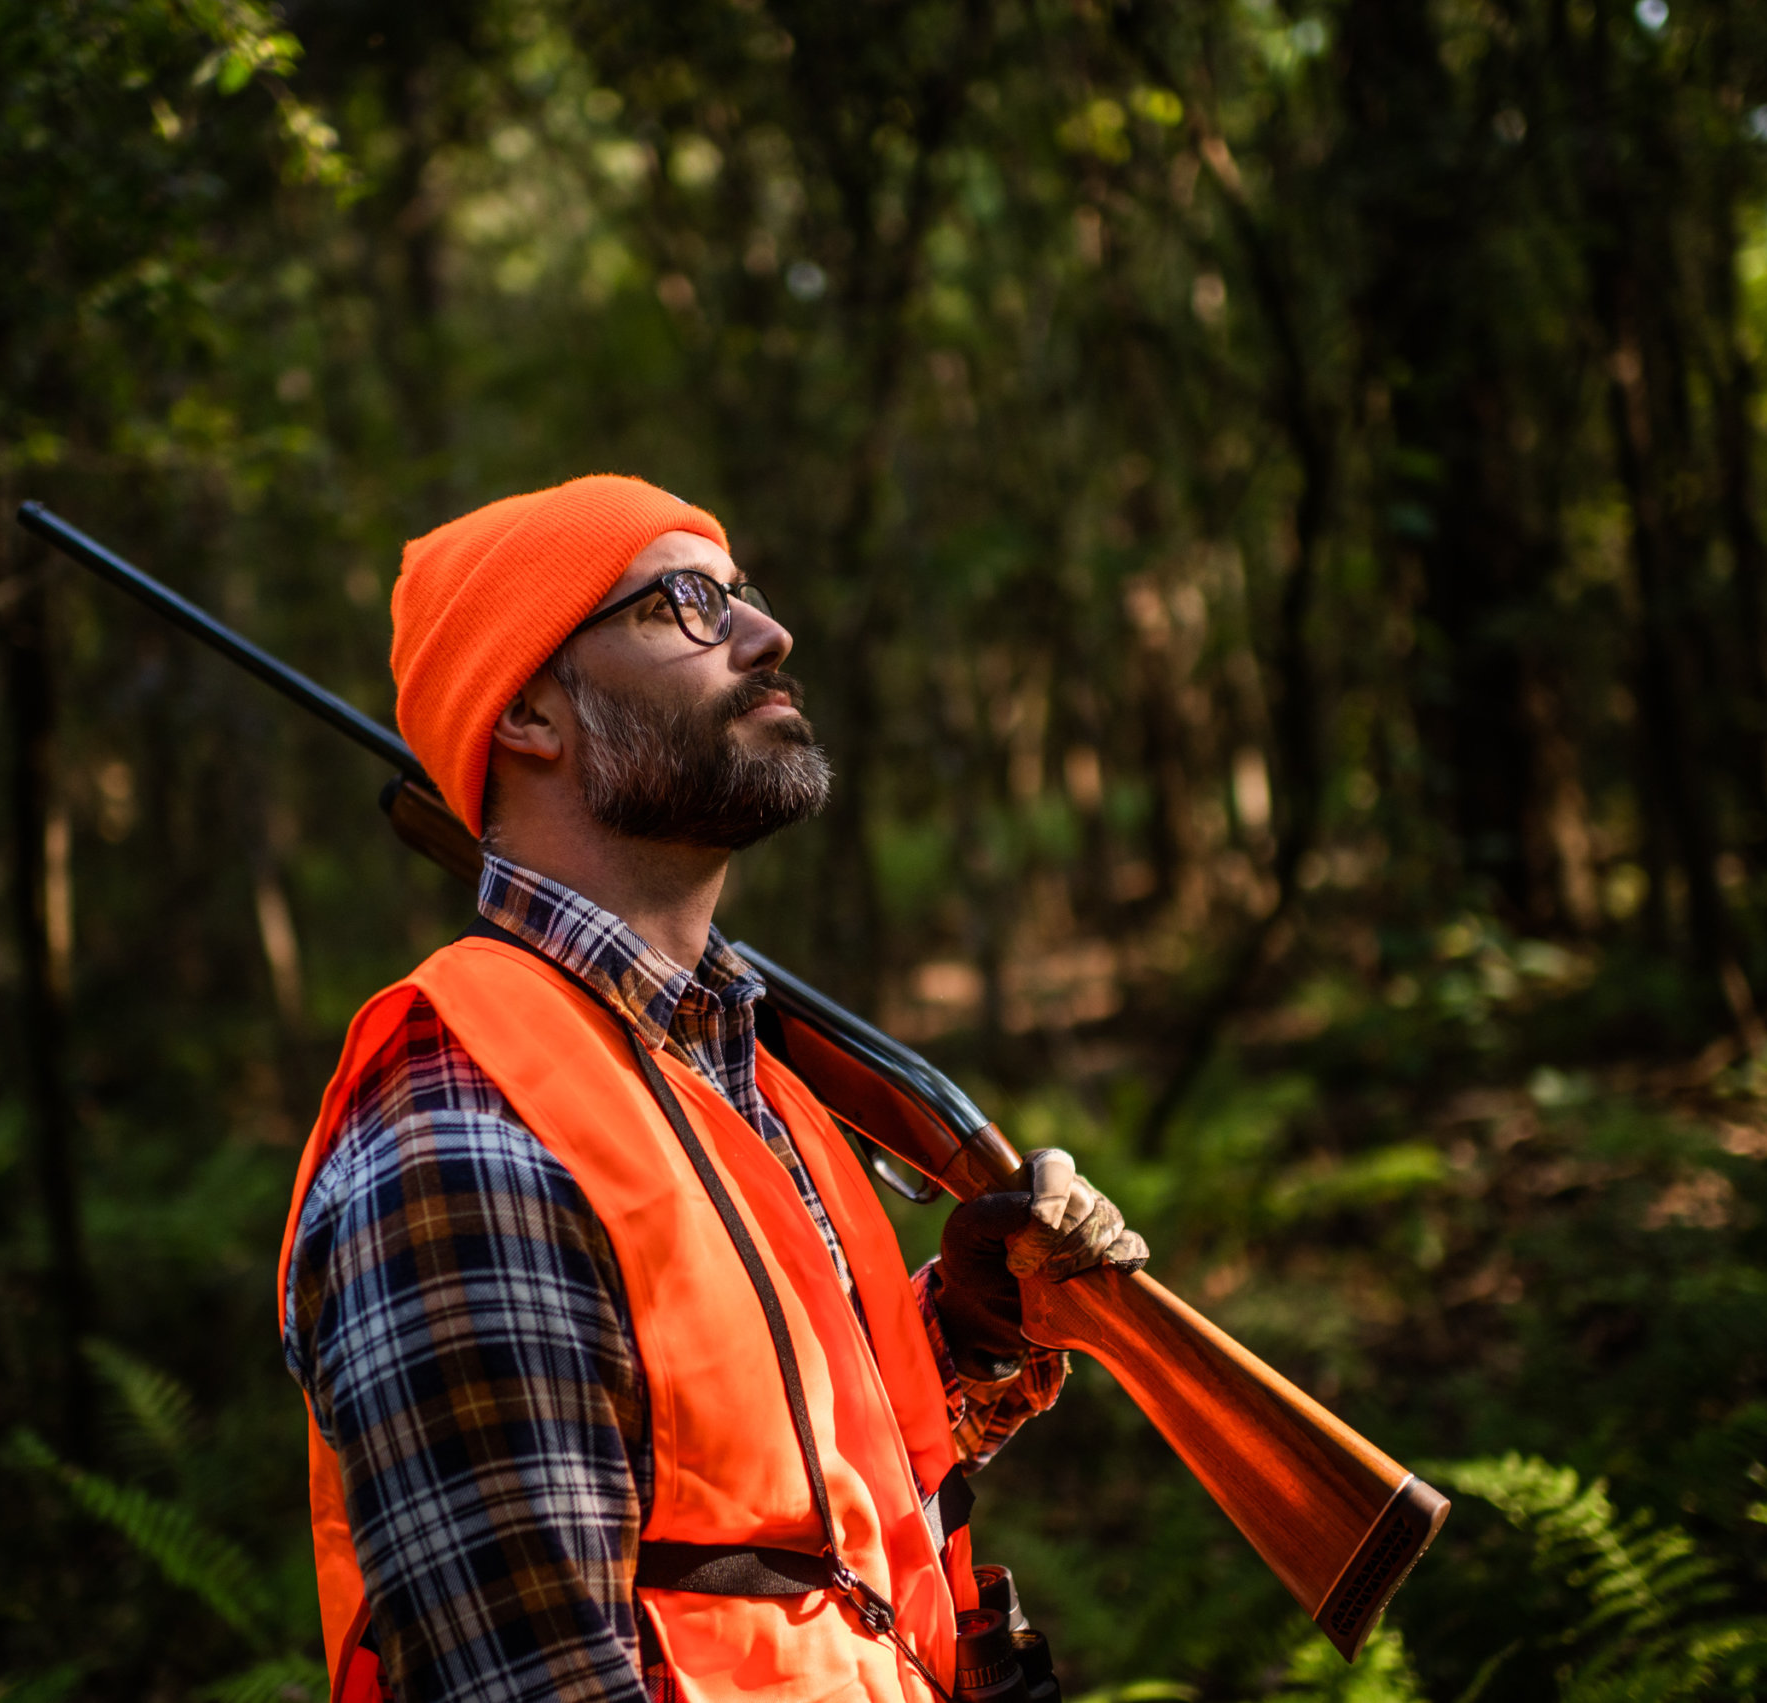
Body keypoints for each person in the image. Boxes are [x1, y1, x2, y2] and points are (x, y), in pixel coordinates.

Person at [277, 475, 1148, 1703]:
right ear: (528, 710)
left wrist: (968, 1329)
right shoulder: (460, 1130)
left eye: (740, 591)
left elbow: (785, 1514)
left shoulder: (744, 1076)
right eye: (679, 603)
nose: (764, 631)